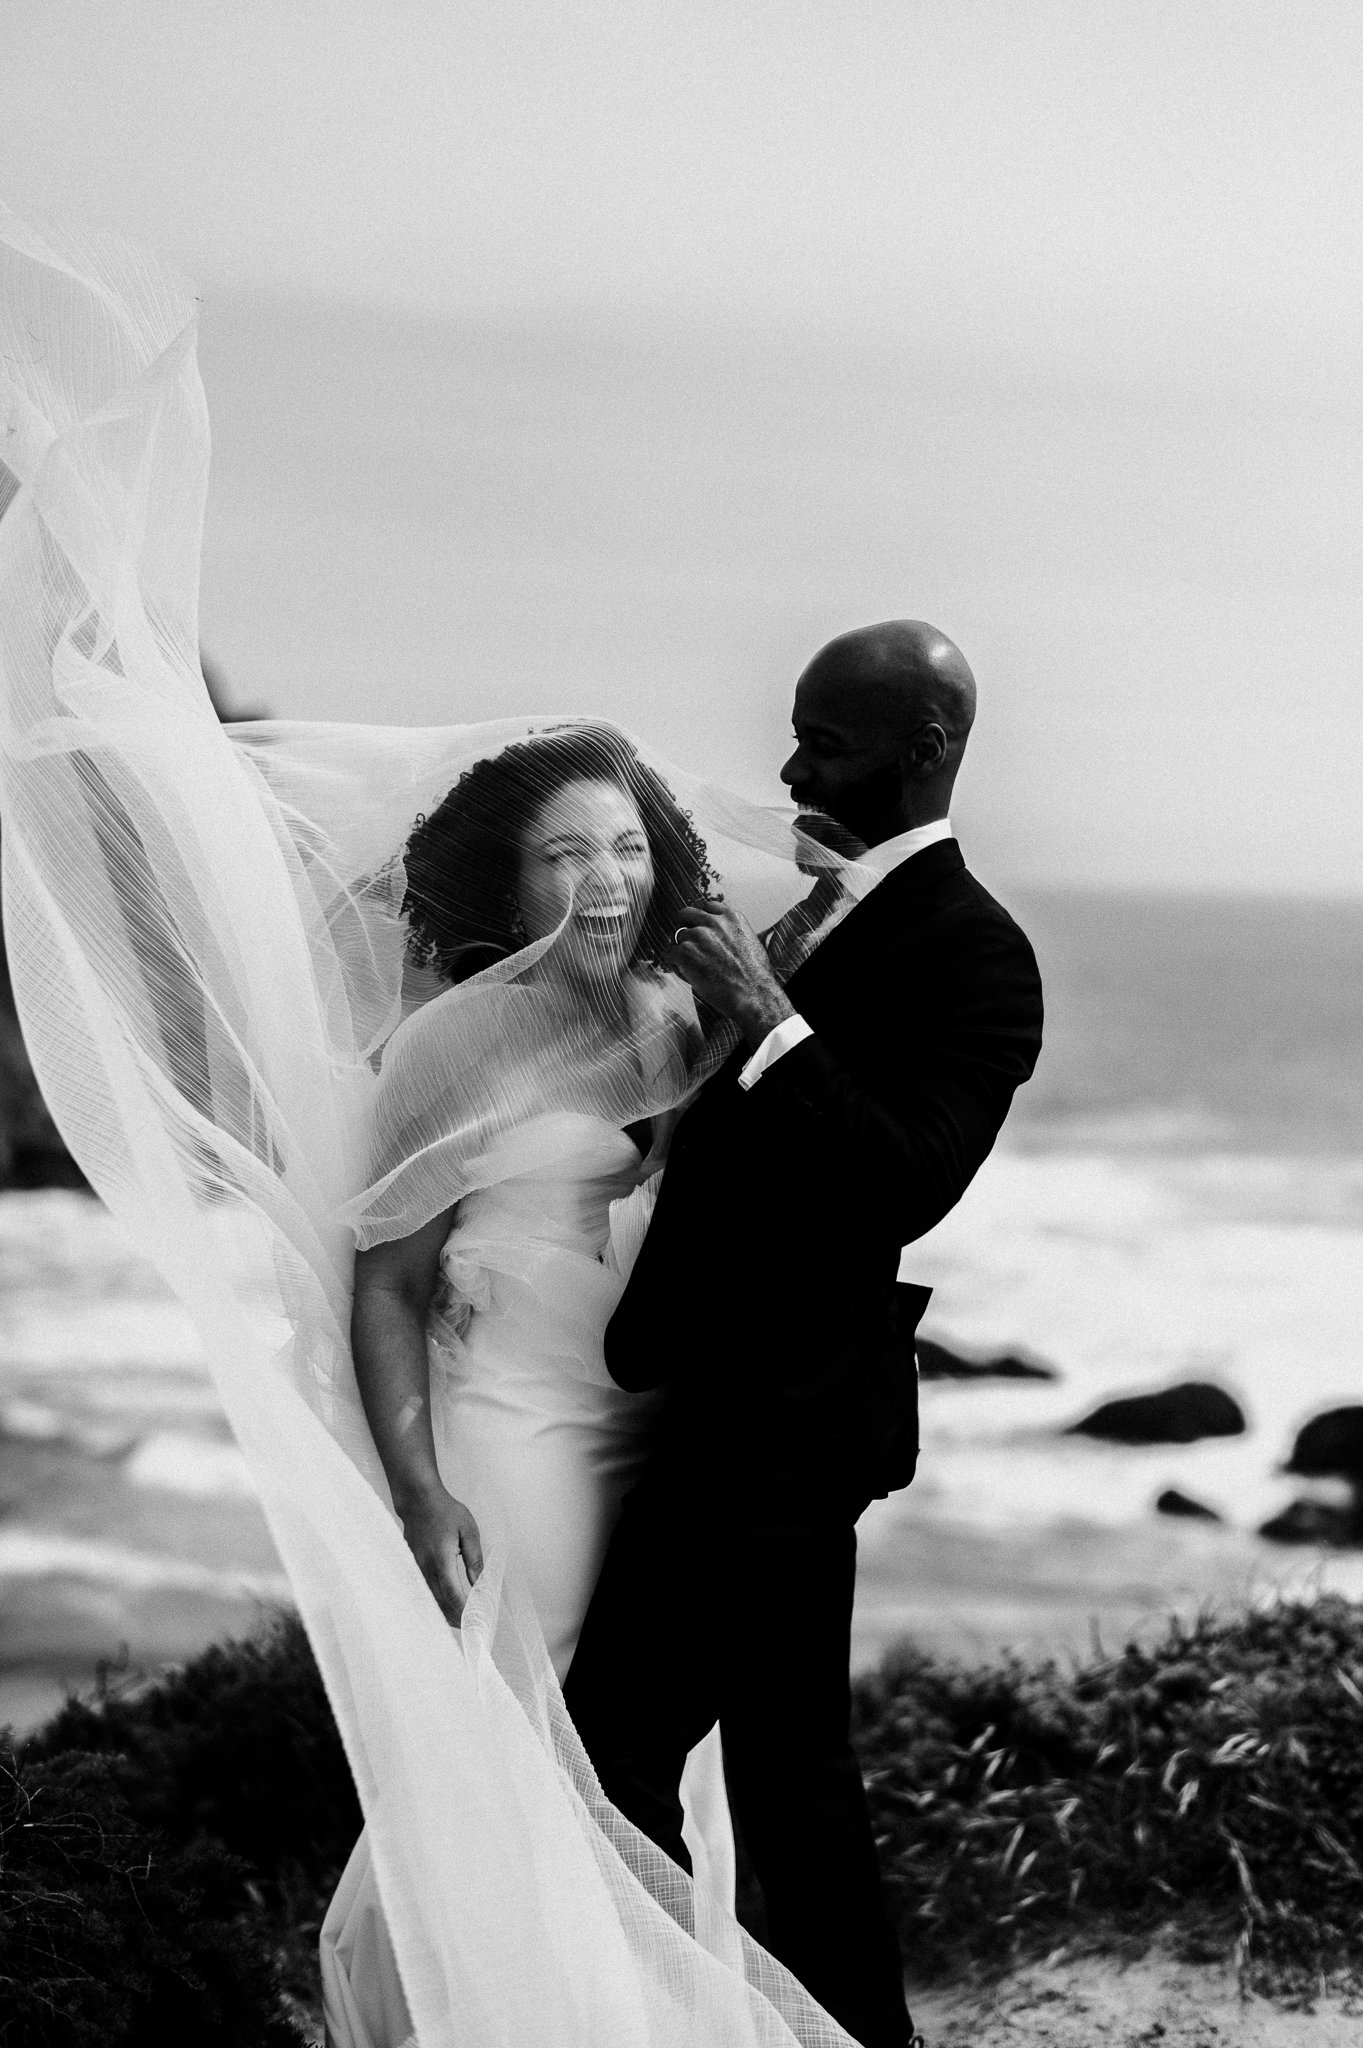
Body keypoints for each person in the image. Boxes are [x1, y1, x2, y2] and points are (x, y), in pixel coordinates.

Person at [564, 621, 1046, 2048]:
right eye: (797, 729)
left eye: (827, 740)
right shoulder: (812, 911)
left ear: (927, 751)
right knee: (793, 1778)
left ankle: (677, 2024)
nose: (790, 766)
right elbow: (704, 1128)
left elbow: (905, 1175)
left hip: (785, 1423)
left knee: (610, 1756)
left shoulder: (980, 959)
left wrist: (765, 1011)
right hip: (718, 1389)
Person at [320, 725, 739, 2047]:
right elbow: (385, 1283)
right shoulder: (454, 1045)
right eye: (567, 855)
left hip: (649, 1428)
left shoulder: (678, 1020)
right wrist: (417, 1488)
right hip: (518, 1431)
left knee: (638, 1734)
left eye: (626, 846)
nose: (607, 879)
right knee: (525, 1724)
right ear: (512, 891)